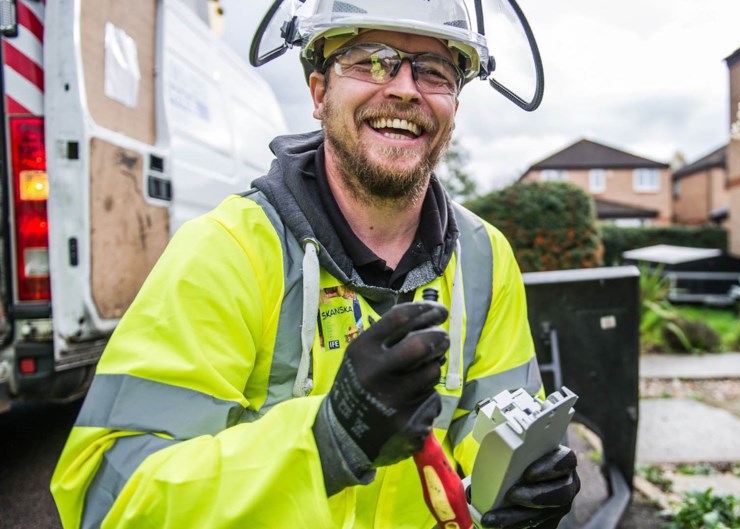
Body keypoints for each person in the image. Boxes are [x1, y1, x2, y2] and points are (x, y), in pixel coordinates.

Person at [51, 1, 579, 528]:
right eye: (371, 60)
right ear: (320, 92)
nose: (403, 89)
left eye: (434, 71)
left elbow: (492, 430)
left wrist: (518, 487)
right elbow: (110, 501)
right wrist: (327, 440)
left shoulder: (485, 257)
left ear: (455, 107)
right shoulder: (227, 250)